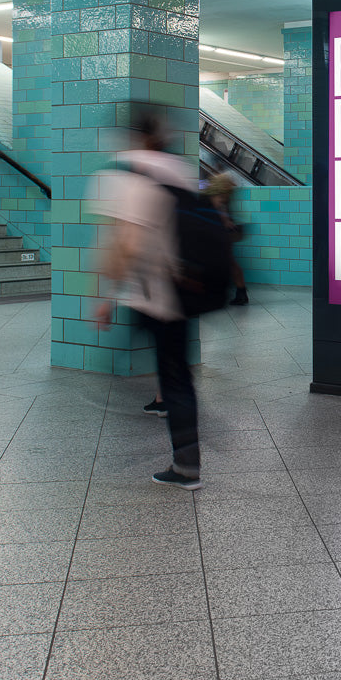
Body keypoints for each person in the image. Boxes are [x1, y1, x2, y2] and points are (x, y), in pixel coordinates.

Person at [92, 106, 201, 489]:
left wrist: (105, 295)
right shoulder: (181, 169)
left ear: (133, 135)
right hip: (185, 288)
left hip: (149, 292)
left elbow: (125, 241)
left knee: (170, 374)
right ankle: (187, 460)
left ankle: (187, 467)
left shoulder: (122, 172)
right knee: (178, 375)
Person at [204, 171, 249, 305]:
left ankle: (219, 293)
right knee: (230, 263)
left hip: (218, 234)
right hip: (225, 235)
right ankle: (241, 293)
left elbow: (220, 211)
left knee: (224, 263)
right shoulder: (227, 197)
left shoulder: (218, 197)